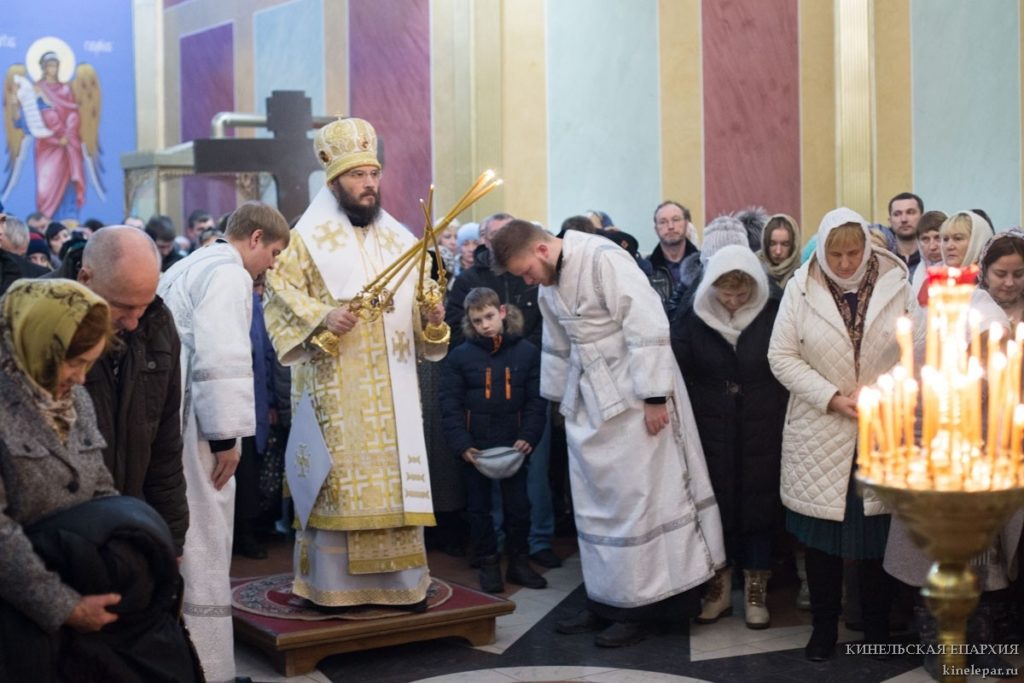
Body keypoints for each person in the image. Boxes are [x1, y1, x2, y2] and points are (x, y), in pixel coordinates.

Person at [490, 220, 725, 648]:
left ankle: (643, 607)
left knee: (640, 502)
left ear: (541, 250)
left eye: (526, 271)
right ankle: (606, 600)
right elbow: (557, 343)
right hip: (589, 403)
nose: (527, 281)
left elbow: (648, 323)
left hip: (637, 398)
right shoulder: (548, 283)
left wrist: (655, 396)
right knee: (596, 504)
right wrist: (559, 402)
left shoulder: (604, 259)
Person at [263, 117, 448, 611]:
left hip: (395, 391)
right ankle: (332, 588)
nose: (368, 184)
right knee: (341, 484)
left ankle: (403, 585)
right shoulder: (305, 240)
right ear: (334, 182)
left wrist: (431, 318)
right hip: (335, 387)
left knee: (396, 484)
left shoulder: (402, 241)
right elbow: (277, 295)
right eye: (357, 175)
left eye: (373, 174)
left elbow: (424, 323)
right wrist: (323, 316)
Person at [768, 207, 912, 661]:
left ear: (867, 248)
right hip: (820, 427)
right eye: (836, 254)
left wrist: (884, 391)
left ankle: (876, 627)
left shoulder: (897, 283)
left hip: (881, 425)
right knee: (822, 539)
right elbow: (781, 356)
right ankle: (823, 628)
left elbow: (917, 350)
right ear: (823, 251)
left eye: (853, 253)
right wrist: (830, 397)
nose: (846, 263)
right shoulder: (801, 287)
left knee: (876, 535)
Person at [158, 200, 290, 682]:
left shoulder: (191, 262)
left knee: (183, 533)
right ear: (255, 238)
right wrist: (226, 439)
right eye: (273, 253)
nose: (271, 265)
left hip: (170, 414)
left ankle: (182, 658)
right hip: (195, 422)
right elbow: (222, 358)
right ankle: (209, 667)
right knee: (206, 536)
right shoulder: (229, 273)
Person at [672, 245, 788, 629]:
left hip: (763, 418)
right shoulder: (694, 313)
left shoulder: (773, 311)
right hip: (710, 421)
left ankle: (756, 590)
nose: (734, 302)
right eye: (726, 294)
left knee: (759, 501)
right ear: (712, 288)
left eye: (741, 294)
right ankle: (718, 588)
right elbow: (679, 364)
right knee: (715, 503)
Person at [70, 226, 188, 556]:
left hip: (132, 522)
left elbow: (165, 446)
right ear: (85, 278)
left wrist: (173, 540)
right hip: (66, 535)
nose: (134, 322)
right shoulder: (40, 326)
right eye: (122, 307)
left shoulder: (158, 324)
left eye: (143, 306)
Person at [439, 287, 548, 593]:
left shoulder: (527, 352)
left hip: (515, 443)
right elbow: (449, 403)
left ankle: (519, 563)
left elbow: (536, 400)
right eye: (477, 321)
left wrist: (528, 435)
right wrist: (462, 443)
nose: (485, 325)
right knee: (478, 509)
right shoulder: (460, 356)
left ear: (502, 312)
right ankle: (488, 563)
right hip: (475, 446)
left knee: (519, 507)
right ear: (469, 322)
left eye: (489, 316)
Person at [32, 53, 86, 219]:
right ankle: (45, 220)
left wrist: (67, 134)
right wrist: (57, 135)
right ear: (44, 68)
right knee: (46, 184)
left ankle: (68, 217)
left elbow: (73, 113)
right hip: (47, 145)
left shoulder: (65, 89)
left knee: (67, 182)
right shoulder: (38, 89)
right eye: (49, 65)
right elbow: (36, 116)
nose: (53, 69)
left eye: (55, 65)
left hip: (67, 146)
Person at [648, 200, 700, 307]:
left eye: (676, 220)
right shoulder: (646, 269)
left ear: (686, 224)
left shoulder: (703, 265)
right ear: (656, 229)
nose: (670, 226)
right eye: (663, 222)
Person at [757, 214, 802, 289]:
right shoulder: (754, 272)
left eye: (785, 244)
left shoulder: (802, 277)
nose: (778, 251)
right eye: (772, 244)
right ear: (765, 243)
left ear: (794, 245)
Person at [887, 192, 924, 276]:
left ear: (922, 218)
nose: (904, 219)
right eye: (897, 214)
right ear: (890, 221)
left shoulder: (933, 257)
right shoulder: (883, 259)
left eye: (910, 212)